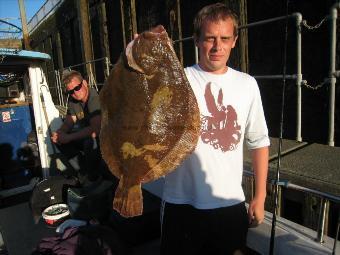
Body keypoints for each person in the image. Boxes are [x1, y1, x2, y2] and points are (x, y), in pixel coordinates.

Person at [161, 3, 270, 255]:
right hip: (181, 202)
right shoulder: (176, 79)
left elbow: (259, 142)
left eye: (224, 38)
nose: (217, 46)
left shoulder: (248, 84)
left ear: (235, 40)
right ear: (196, 40)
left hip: (230, 203)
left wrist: (260, 196)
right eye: (209, 38)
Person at [51, 70, 102, 182]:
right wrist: (60, 133)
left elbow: (96, 129)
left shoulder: (94, 98)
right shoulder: (73, 101)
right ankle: (84, 172)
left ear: (84, 83)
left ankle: (94, 178)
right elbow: (69, 122)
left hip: (103, 138)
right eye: (71, 92)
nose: (75, 93)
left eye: (77, 88)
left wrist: (68, 137)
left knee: (90, 141)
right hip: (86, 134)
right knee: (58, 140)